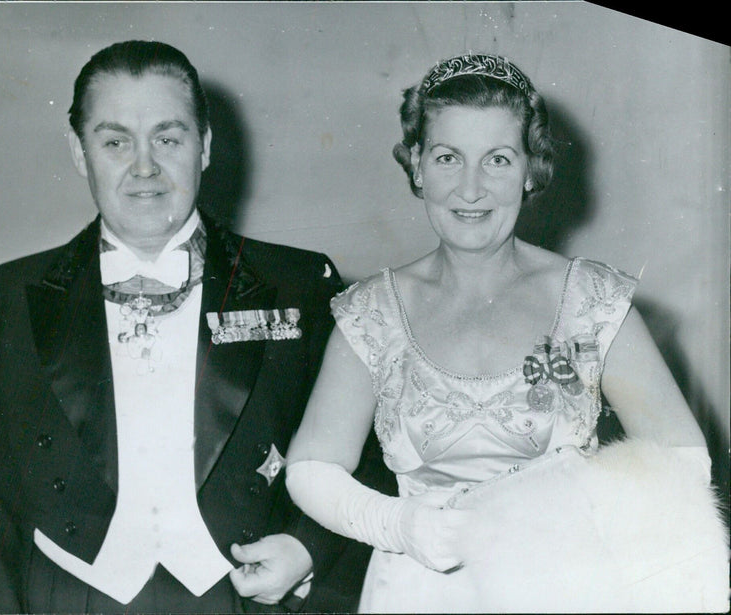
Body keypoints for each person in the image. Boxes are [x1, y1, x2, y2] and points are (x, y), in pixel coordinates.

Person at [0, 40, 391, 614]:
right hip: (67, 595)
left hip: (244, 594)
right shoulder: (7, 295)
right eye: (114, 142)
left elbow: (377, 454)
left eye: (168, 137)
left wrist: (309, 550)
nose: (144, 167)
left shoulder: (299, 283)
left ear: (204, 146)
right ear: (80, 153)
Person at [286, 53, 728, 613]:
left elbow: (686, 461)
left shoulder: (591, 300)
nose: (471, 189)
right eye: (448, 157)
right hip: (417, 592)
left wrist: (566, 509)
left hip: (567, 591)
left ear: (530, 170)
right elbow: (312, 468)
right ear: (418, 165)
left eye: (497, 159)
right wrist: (402, 526)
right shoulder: (372, 311)